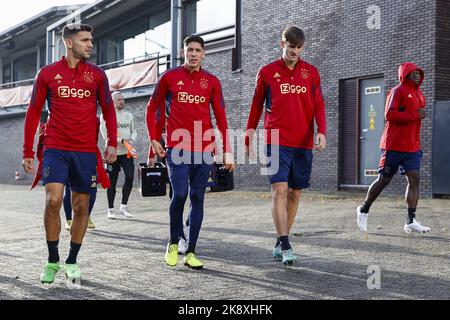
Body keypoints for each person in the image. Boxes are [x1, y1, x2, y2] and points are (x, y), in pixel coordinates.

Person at [22, 23, 117, 284]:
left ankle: (72, 260)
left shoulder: (97, 75)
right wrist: (28, 150)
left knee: (81, 205)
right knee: (53, 201)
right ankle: (52, 259)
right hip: (55, 147)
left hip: (86, 151)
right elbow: (33, 112)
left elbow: (108, 109)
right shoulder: (48, 73)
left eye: (91, 39)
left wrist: (111, 141)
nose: (90, 44)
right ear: (68, 42)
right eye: (85, 40)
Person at [146, 35, 235, 269]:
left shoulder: (212, 82)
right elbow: (152, 107)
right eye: (189, 49)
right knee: (180, 195)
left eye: (197, 50)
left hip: (204, 150)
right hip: (177, 148)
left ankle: (192, 252)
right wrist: (154, 139)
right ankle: (173, 243)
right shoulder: (169, 78)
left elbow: (222, 118)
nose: (193, 53)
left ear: (204, 54)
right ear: (182, 51)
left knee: (198, 198)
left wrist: (227, 151)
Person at [245, 26, 326, 266]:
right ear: (282, 45)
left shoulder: (311, 73)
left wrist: (322, 131)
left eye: (299, 48)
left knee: (295, 193)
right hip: (275, 140)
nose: (295, 52)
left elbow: (319, 104)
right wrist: (249, 134)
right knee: (279, 190)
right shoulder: (267, 72)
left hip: (303, 141)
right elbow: (256, 105)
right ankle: (286, 243)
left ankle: (280, 240)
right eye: (291, 47)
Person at [356, 62, 430, 234]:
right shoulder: (397, 91)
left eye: (418, 73)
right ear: (405, 75)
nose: (417, 75)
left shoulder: (419, 94)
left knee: (415, 179)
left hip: (412, 146)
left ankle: (410, 221)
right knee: (384, 180)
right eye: (413, 73)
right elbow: (389, 114)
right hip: (394, 145)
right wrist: (414, 115)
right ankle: (363, 210)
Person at [100, 91, 137, 219]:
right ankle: (110, 209)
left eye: (123, 99)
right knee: (112, 181)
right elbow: (106, 136)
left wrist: (131, 141)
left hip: (127, 152)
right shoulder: (105, 116)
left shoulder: (129, 115)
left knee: (130, 176)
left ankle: (123, 207)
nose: (122, 102)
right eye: (119, 100)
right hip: (112, 153)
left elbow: (134, 131)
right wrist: (121, 141)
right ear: (113, 101)